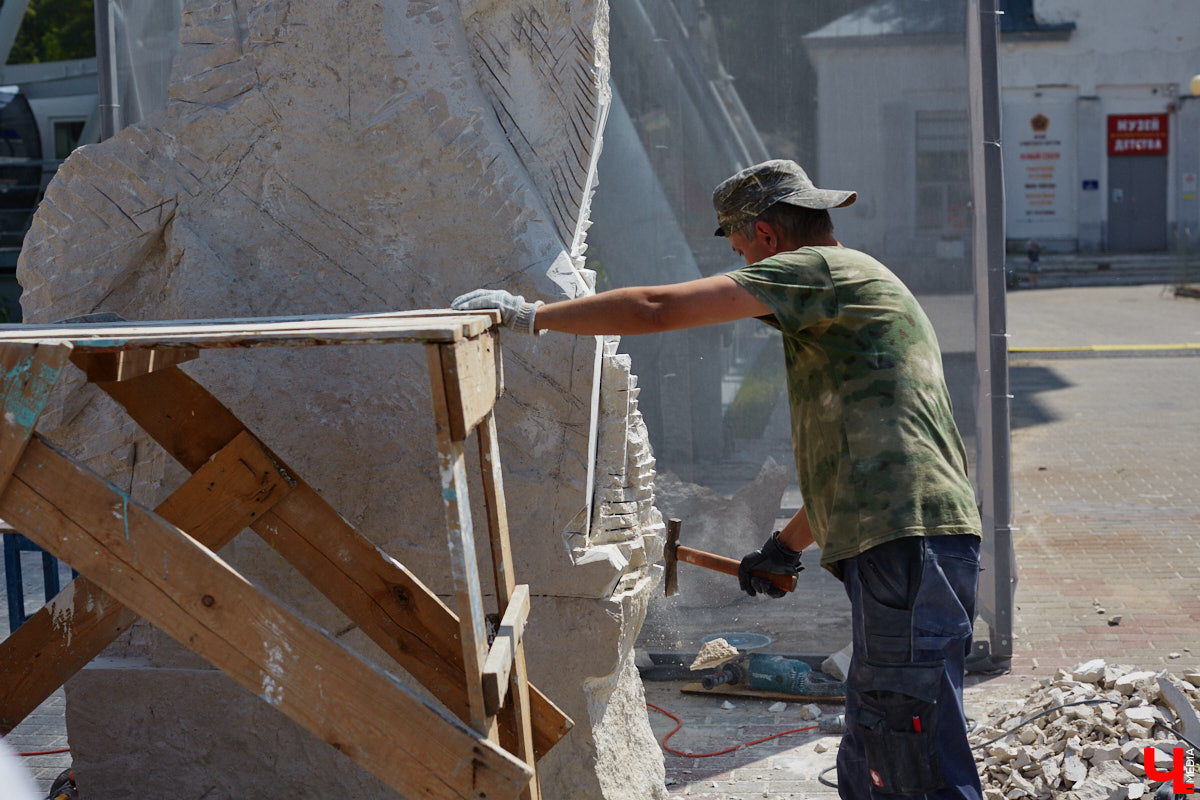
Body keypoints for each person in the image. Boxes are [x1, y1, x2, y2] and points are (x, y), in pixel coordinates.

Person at [453, 159, 983, 800]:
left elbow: (655, 309)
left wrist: (530, 316)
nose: (745, 273)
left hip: (911, 545)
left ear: (766, 236)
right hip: (908, 541)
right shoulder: (847, 299)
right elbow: (862, 466)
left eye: (741, 254)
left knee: (911, 741)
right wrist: (784, 548)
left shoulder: (814, 268)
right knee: (877, 740)